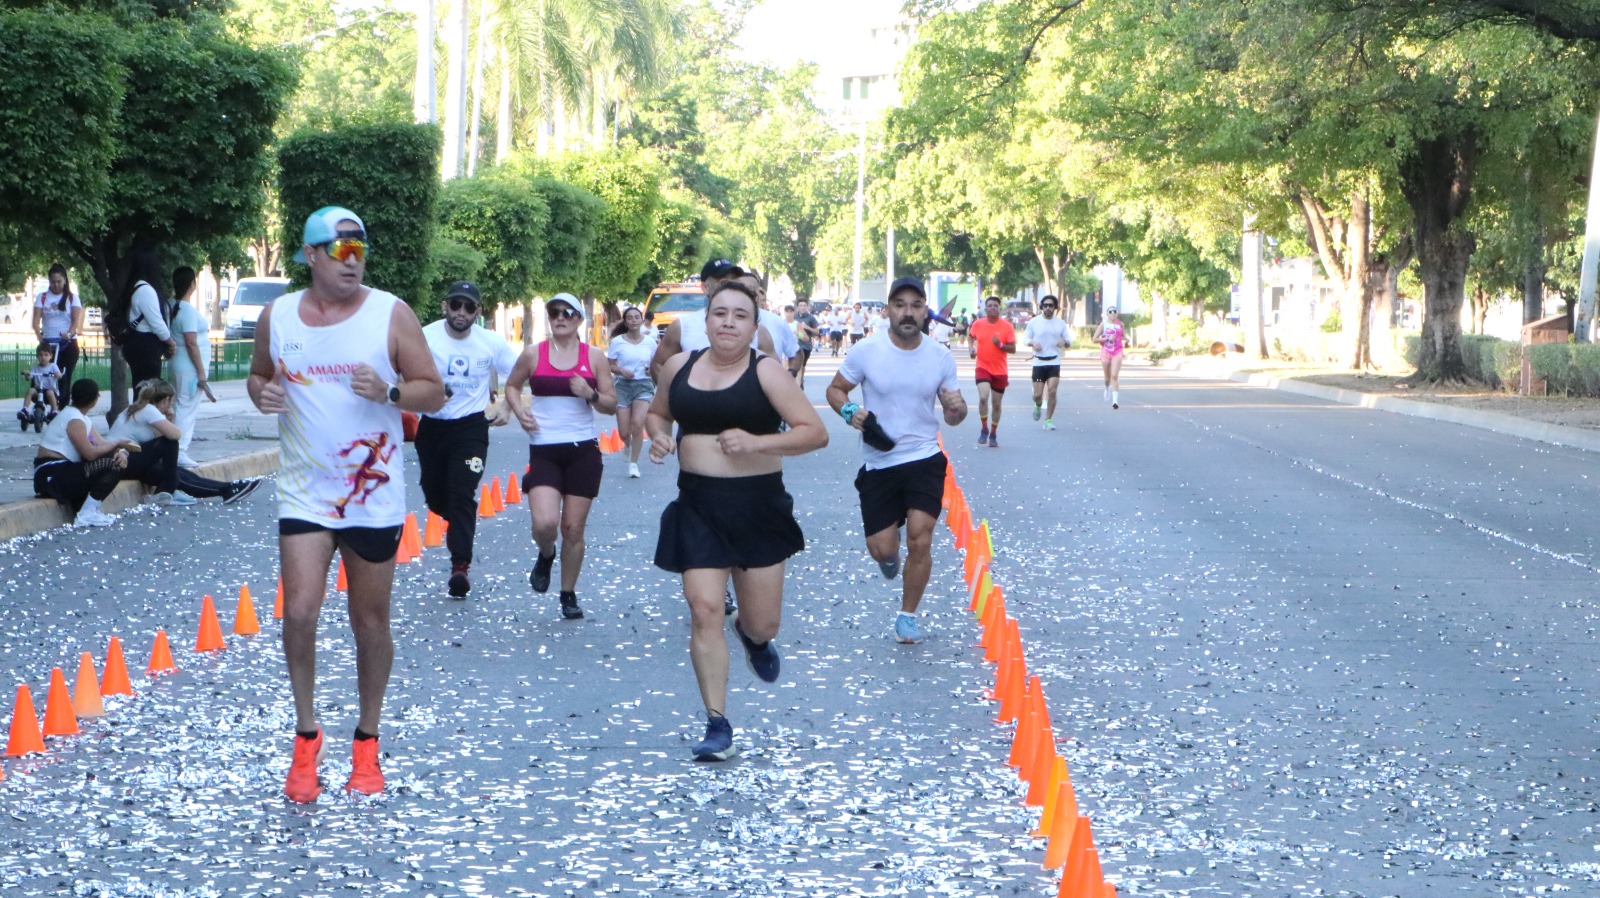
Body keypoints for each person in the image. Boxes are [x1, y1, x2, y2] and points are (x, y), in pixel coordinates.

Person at [249, 206, 445, 803]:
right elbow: (259, 377)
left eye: (360, 250)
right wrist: (263, 394)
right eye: (340, 251)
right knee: (299, 612)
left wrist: (389, 390)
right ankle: (307, 736)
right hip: (305, 492)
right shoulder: (279, 315)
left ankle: (367, 741)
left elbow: (434, 392)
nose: (353, 261)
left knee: (370, 622)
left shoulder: (391, 314)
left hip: (371, 495)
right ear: (310, 255)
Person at [647, 280, 828, 761]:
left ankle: (752, 636)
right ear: (706, 320)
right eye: (720, 313)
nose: (728, 322)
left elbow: (815, 433)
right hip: (697, 505)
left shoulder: (766, 372)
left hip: (757, 507)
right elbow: (658, 414)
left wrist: (757, 442)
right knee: (704, 608)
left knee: (764, 623)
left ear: (753, 326)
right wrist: (659, 436)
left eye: (740, 315)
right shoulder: (678, 367)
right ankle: (717, 723)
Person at [826, 277, 967, 645]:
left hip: (924, 457)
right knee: (884, 549)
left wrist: (957, 409)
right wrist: (850, 411)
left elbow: (954, 414)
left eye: (916, 305)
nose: (908, 312)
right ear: (888, 309)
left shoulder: (940, 356)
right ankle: (889, 557)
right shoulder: (866, 351)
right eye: (900, 305)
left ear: (925, 311)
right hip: (880, 461)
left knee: (921, 538)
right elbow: (835, 390)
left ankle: (908, 615)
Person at [504, 293, 618, 621]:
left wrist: (590, 393)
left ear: (580, 319)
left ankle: (568, 593)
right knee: (544, 523)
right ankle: (546, 553)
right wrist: (519, 412)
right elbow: (511, 386)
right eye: (554, 312)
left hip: (583, 451)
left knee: (572, 528)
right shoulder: (533, 353)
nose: (560, 318)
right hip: (545, 449)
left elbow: (611, 405)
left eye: (568, 313)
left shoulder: (593, 357)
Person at [417, 281, 518, 599]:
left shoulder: (490, 342)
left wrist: (507, 407)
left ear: (478, 312)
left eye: (469, 307)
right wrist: (427, 393)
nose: (461, 312)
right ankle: (460, 520)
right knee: (436, 498)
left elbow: (519, 373)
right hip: (432, 427)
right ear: (444, 306)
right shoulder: (425, 337)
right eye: (456, 305)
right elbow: (402, 372)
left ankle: (460, 567)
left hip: (471, 428)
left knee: (462, 494)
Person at [109, 379, 260, 504]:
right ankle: (168, 488)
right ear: (165, 400)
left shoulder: (138, 409)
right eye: (171, 401)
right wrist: (170, 419)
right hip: (119, 461)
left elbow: (154, 439)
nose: (171, 405)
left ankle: (228, 488)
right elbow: (175, 435)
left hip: (129, 461)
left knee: (180, 473)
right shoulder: (148, 410)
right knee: (170, 445)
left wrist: (169, 419)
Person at [33, 379, 137, 527]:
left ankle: (88, 509)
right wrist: (117, 444)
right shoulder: (74, 419)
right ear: (95, 399)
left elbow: (101, 443)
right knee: (112, 465)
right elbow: (90, 454)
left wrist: (121, 451)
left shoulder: (81, 417)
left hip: (64, 470)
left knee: (114, 461)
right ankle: (87, 513)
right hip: (51, 474)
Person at [649, 259, 775, 380]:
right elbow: (658, 365)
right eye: (723, 281)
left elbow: (775, 373)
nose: (731, 285)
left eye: (734, 280)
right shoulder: (682, 326)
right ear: (705, 287)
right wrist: (677, 392)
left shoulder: (758, 330)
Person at [168, 267, 216, 467]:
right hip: (189, 368)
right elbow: (191, 342)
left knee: (179, 405)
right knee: (186, 408)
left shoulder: (172, 305)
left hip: (178, 364)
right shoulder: (187, 310)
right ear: (192, 285)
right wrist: (201, 372)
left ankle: (174, 450)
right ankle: (179, 450)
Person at [607, 305, 657, 479]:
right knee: (623, 431)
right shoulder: (617, 342)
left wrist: (651, 371)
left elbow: (656, 364)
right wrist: (621, 371)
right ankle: (627, 444)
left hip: (643, 384)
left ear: (642, 320)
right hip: (622, 385)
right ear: (625, 322)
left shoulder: (650, 342)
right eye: (630, 318)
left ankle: (634, 464)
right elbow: (610, 365)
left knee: (637, 423)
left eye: (637, 317)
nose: (634, 320)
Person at [120, 252, 176, 389]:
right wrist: (170, 343)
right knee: (149, 390)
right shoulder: (146, 290)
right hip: (146, 347)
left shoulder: (134, 287)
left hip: (136, 343)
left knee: (140, 388)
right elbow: (157, 323)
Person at [968, 296, 1016, 447]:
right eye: (990, 306)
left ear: (999, 308)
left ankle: (993, 433)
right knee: (983, 397)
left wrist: (1000, 344)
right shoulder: (978, 324)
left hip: (1000, 371)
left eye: (996, 305)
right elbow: (971, 336)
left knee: (996, 404)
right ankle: (984, 428)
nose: (993, 308)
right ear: (985, 309)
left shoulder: (1007, 326)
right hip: (982, 367)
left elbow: (1013, 349)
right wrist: (971, 348)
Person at [1024, 295, 1072, 429]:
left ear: (1055, 307)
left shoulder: (1060, 323)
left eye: (1051, 305)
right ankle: (1038, 404)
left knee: (1052, 391)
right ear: (1041, 307)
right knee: (1037, 395)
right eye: (1045, 305)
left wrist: (1064, 343)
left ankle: (1048, 420)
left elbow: (1069, 341)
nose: (1048, 308)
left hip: (1054, 361)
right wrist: (1033, 343)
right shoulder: (1034, 322)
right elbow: (1025, 339)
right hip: (1039, 362)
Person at [33, 263, 83, 392]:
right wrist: (39, 336)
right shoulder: (42, 297)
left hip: (67, 343)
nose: (56, 285)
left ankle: (63, 402)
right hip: (48, 344)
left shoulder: (72, 298)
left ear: (65, 280)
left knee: (63, 378)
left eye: (59, 282)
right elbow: (36, 320)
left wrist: (69, 334)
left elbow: (75, 321)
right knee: (44, 377)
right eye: (53, 282)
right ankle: (45, 400)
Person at [1094, 307, 1127, 409]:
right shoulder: (1103, 325)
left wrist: (1126, 339)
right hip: (1106, 352)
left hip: (1117, 351)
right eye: (1110, 312)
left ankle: (1115, 402)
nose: (1113, 313)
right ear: (1107, 314)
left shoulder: (1120, 324)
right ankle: (1107, 388)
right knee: (1107, 378)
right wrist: (1107, 338)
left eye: (1114, 312)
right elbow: (1094, 339)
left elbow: (1123, 336)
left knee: (1114, 375)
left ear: (1117, 314)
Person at [23, 343, 62, 416]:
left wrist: (58, 374)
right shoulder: (35, 368)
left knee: (50, 392)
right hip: (38, 391)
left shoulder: (53, 366)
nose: (43, 357)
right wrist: (27, 375)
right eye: (40, 355)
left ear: (51, 356)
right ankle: (24, 409)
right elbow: (29, 378)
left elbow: (59, 375)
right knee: (30, 390)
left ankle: (54, 411)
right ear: (37, 357)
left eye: (46, 355)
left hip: (50, 390)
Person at [789, 298, 820, 386]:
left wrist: (807, 327)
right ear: (797, 307)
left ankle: (800, 379)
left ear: (807, 307)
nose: (803, 307)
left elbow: (817, 332)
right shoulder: (794, 317)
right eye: (801, 306)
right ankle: (794, 382)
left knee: (802, 365)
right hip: (794, 345)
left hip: (805, 345)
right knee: (793, 364)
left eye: (804, 306)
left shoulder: (811, 318)